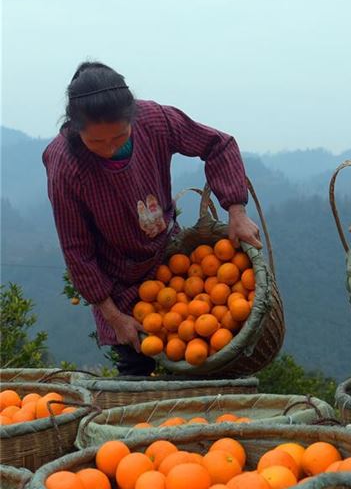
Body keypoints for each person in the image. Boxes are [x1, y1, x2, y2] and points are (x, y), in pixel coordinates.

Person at [44, 61, 261, 376]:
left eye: (119, 138)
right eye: (96, 142)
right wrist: (113, 316)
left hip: (174, 264)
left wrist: (236, 210)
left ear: (133, 118)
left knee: (205, 356)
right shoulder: (65, 165)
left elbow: (218, 145)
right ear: (76, 130)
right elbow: (77, 250)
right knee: (138, 372)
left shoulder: (155, 122)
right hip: (120, 284)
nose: (108, 149)